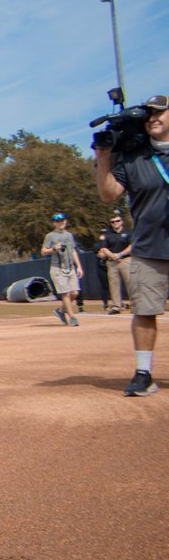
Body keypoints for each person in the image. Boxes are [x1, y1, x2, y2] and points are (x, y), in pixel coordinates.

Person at [95, 94, 169, 397]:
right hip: (150, 248)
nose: (153, 118)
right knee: (145, 311)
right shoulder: (135, 158)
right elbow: (109, 193)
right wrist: (103, 157)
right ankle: (143, 373)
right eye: (148, 115)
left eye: (160, 113)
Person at [41, 213, 83, 327]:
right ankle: (72, 317)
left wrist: (79, 266)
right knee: (65, 293)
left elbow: (73, 251)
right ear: (54, 223)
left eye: (62, 220)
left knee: (74, 293)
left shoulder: (69, 235)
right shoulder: (50, 236)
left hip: (70, 267)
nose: (60, 223)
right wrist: (54, 248)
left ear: (65, 221)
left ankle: (60, 310)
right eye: (57, 221)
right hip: (57, 268)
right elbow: (43, 251)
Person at [97, 212, 132, 313]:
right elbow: (104, 248)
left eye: (117, 221)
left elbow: (131, 246)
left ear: (122, 222)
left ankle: (135, 304)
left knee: (130, 282)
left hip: (125, 260)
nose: (115, 223)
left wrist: (120, 255)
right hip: (112, 261)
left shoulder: (128, 233)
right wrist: (113, 256)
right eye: (112, 222)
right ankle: (116, 305)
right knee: (113, 284)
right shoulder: (108, 235)